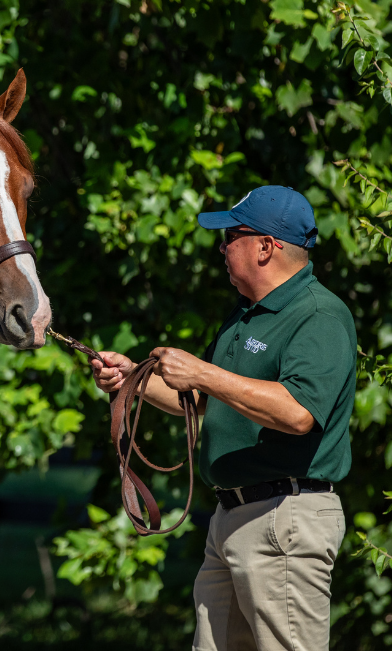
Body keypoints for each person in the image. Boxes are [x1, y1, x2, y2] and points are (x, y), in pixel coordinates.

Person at [92, 185, 355, 651]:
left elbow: (297, 414)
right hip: (231, 517)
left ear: (266, 246)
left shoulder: (319, 314)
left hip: (284, 518)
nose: (221, 247)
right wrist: (133, 377)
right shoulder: (246, 315)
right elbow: (202, 400)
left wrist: (204, 372)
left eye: (231, 235)